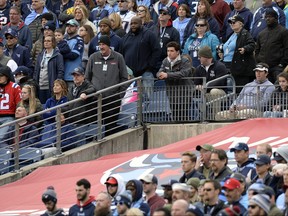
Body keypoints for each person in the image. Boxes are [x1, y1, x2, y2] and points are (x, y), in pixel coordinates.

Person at [86, 35, 128, 135]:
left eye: (103, 44)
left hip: (112, 99)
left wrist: (119, 95)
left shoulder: (118, 57)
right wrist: (91, 92)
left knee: (110, 129)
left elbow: (124, 78)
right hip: (96, 99)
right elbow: (87, 78)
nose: (101, 47)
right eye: (99, 44)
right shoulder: (93, 57)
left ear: (109, 46)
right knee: (95, 129)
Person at [120, 16, 161, 99]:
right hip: (130, 74)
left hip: (146, 73)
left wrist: (150, 66)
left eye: (135, 23)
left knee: (149, 98)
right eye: (131, 23)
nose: (133, 25)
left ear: (141, 23)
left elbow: (157, 51)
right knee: (130, 99)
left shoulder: (149, 34)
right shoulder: (126, 37)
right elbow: (121, 54)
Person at [156, 41, 193, 121]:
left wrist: (167, 75)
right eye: (168, 51)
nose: (169, 53)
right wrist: (159, 75)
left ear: (177, 52)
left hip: (184, 93)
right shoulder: (165, 61)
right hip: (172, 93)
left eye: (172, 51)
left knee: (183, 116)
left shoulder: (185, 61)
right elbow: (159, 71)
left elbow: (183, 73)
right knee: (175, 116)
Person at [219, 15, 256, 92]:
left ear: (241, 24)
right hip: (227, 65)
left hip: (239, 67)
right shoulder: (231, 34)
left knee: (238, 90)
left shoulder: (245, 33)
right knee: (229, 89)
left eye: (234, 22)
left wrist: (245, 49)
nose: (231, 24)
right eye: (230, 22)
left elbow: (252, 44)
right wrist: (221, 52)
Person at [255, 8, 288, 84]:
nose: (267, 19)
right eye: (266, 17)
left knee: (278, 90)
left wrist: (282, 63)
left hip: (277, 67)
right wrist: (258, 62)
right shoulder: (261, 33)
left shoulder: (283, 32)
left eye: (270, 17)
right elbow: (257, 50)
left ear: (276, 18)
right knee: (264, 91)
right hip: (263, 68)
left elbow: (287, 49)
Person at [67, 67, 96, 145]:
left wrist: (85, 93)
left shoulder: (87, 85)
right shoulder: (71, 88)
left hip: (83, 121)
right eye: (74, 75)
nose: (75, 77)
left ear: (83, 76)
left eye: (78, 75)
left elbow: (93, 89)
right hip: (71, 121)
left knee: (79, 144)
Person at [34, 35, 64, 104]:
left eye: (48, 41)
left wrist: (56, 84)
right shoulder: (40, 55)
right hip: (40, 86)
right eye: (45, 41)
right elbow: (36, 70)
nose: (46, 42)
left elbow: (60, 71)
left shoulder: (57, 56)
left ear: (53, 43)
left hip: (51, 87)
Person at [0, 65, 22, 141]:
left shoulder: (15, 87)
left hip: (9, 117)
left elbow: (20, 104)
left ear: (7, 76)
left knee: (0, 137)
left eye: (1, 75)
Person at [63, 19, 84, 88]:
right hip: (63, 75)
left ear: (77, 28)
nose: (69, 27)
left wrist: (61, 54)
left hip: (73, 75)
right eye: (68, 26)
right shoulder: (64, 40)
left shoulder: (79, 40)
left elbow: (73, 55)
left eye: (72, 26)